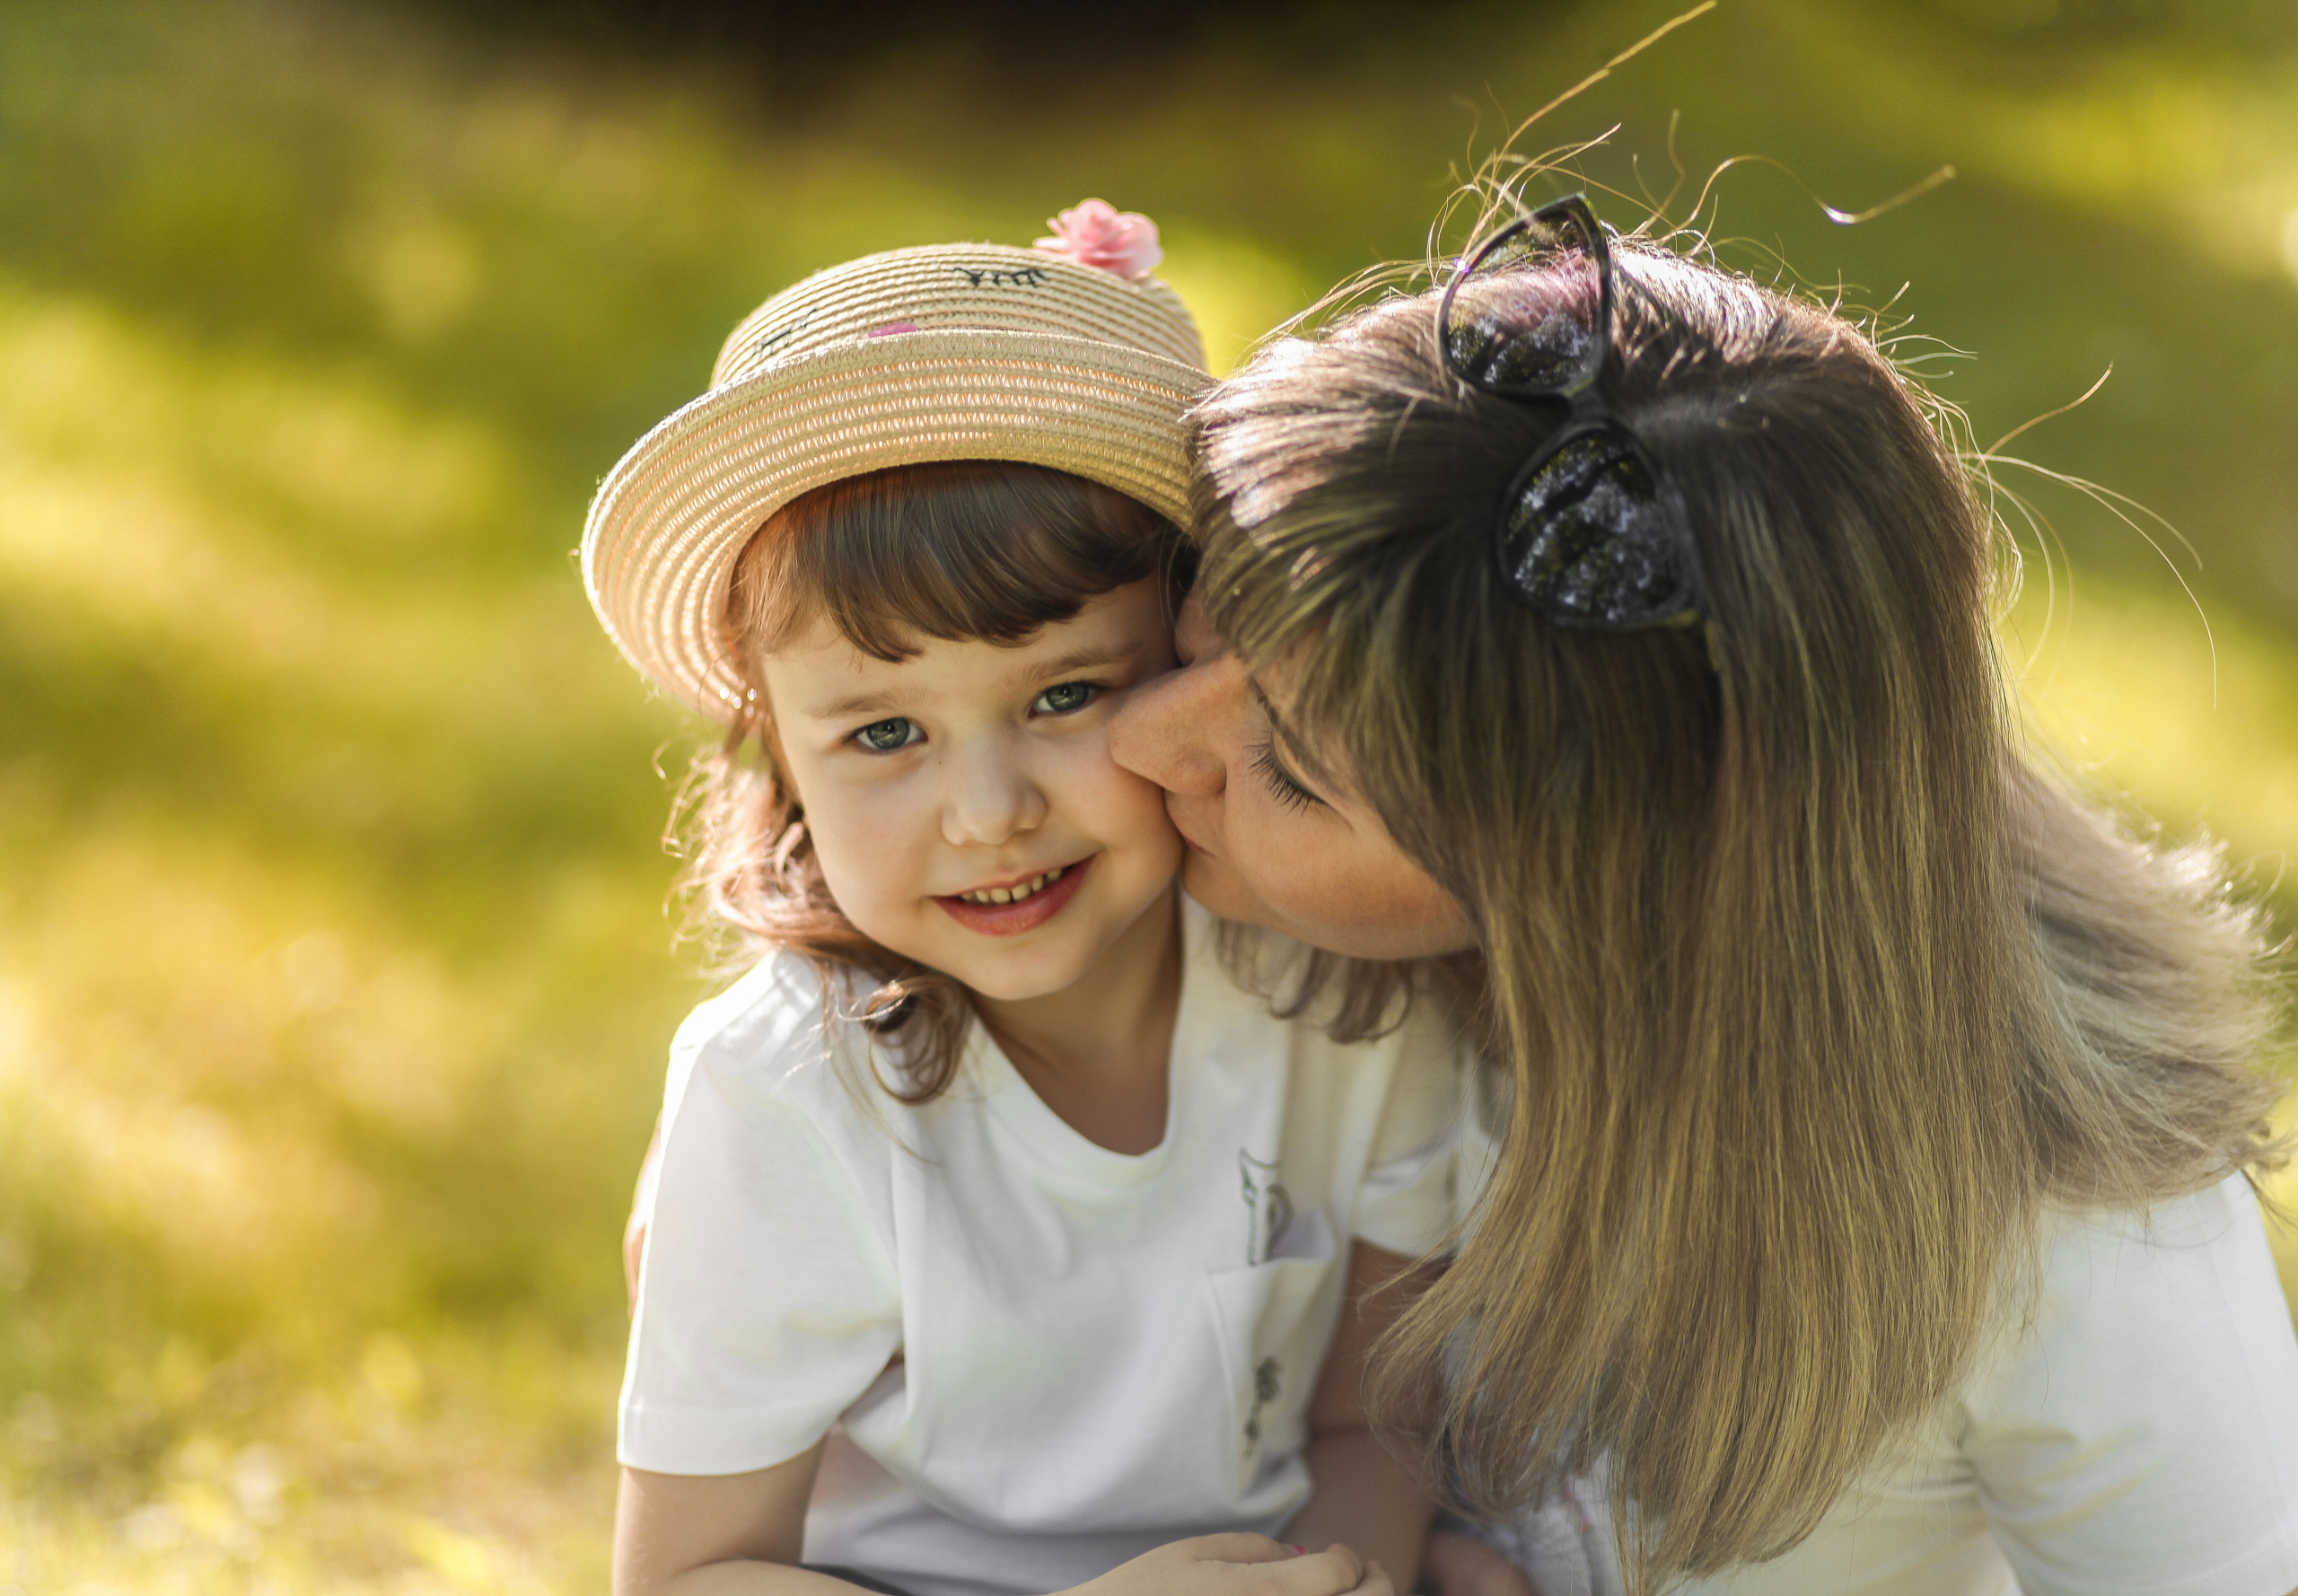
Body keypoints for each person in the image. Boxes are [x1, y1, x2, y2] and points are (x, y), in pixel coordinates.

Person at [1104, 190, 2298, 1595]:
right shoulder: (1189, 928)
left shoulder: (2076, 1250)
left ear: (1591, 891)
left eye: (1292, 773)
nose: (1135, 737)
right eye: (1206, 596)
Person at [583, 206, 1463, 1596]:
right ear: (779, 753)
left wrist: (1353, 1574)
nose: (989, 811)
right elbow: (688, 1577)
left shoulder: (1340, 982)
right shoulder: (786, 1098)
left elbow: (1368, 1414)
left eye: (1064, 695)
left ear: (1189, 662)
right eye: (884, 734)